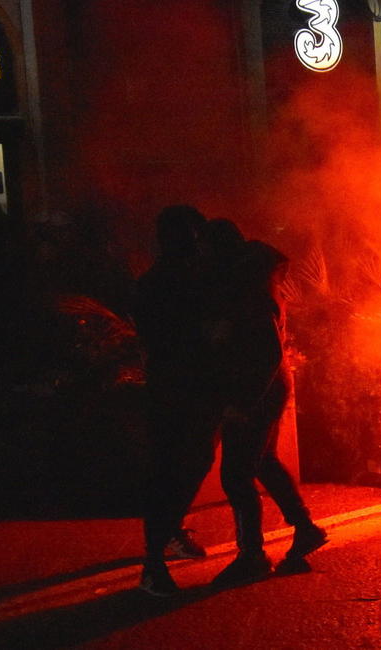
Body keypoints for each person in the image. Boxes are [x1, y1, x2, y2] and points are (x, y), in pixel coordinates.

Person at [208, 232, 328, 585]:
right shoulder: (257, 292)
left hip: (257, 393)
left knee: (236, 474)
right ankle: (304, 528)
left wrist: (243, 402)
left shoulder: (251, 297)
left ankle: (252, 555)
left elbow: (267, 354)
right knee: (263, 461)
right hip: (268, 390)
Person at [136, 205, 222, 597]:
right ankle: (153, 565)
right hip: (179, 388)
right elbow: (183, 334)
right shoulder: (175, 281)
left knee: (181, 465)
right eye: (193, 233)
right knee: (174, 469)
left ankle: (167, 535)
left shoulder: (160, 279)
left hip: (179, 386)